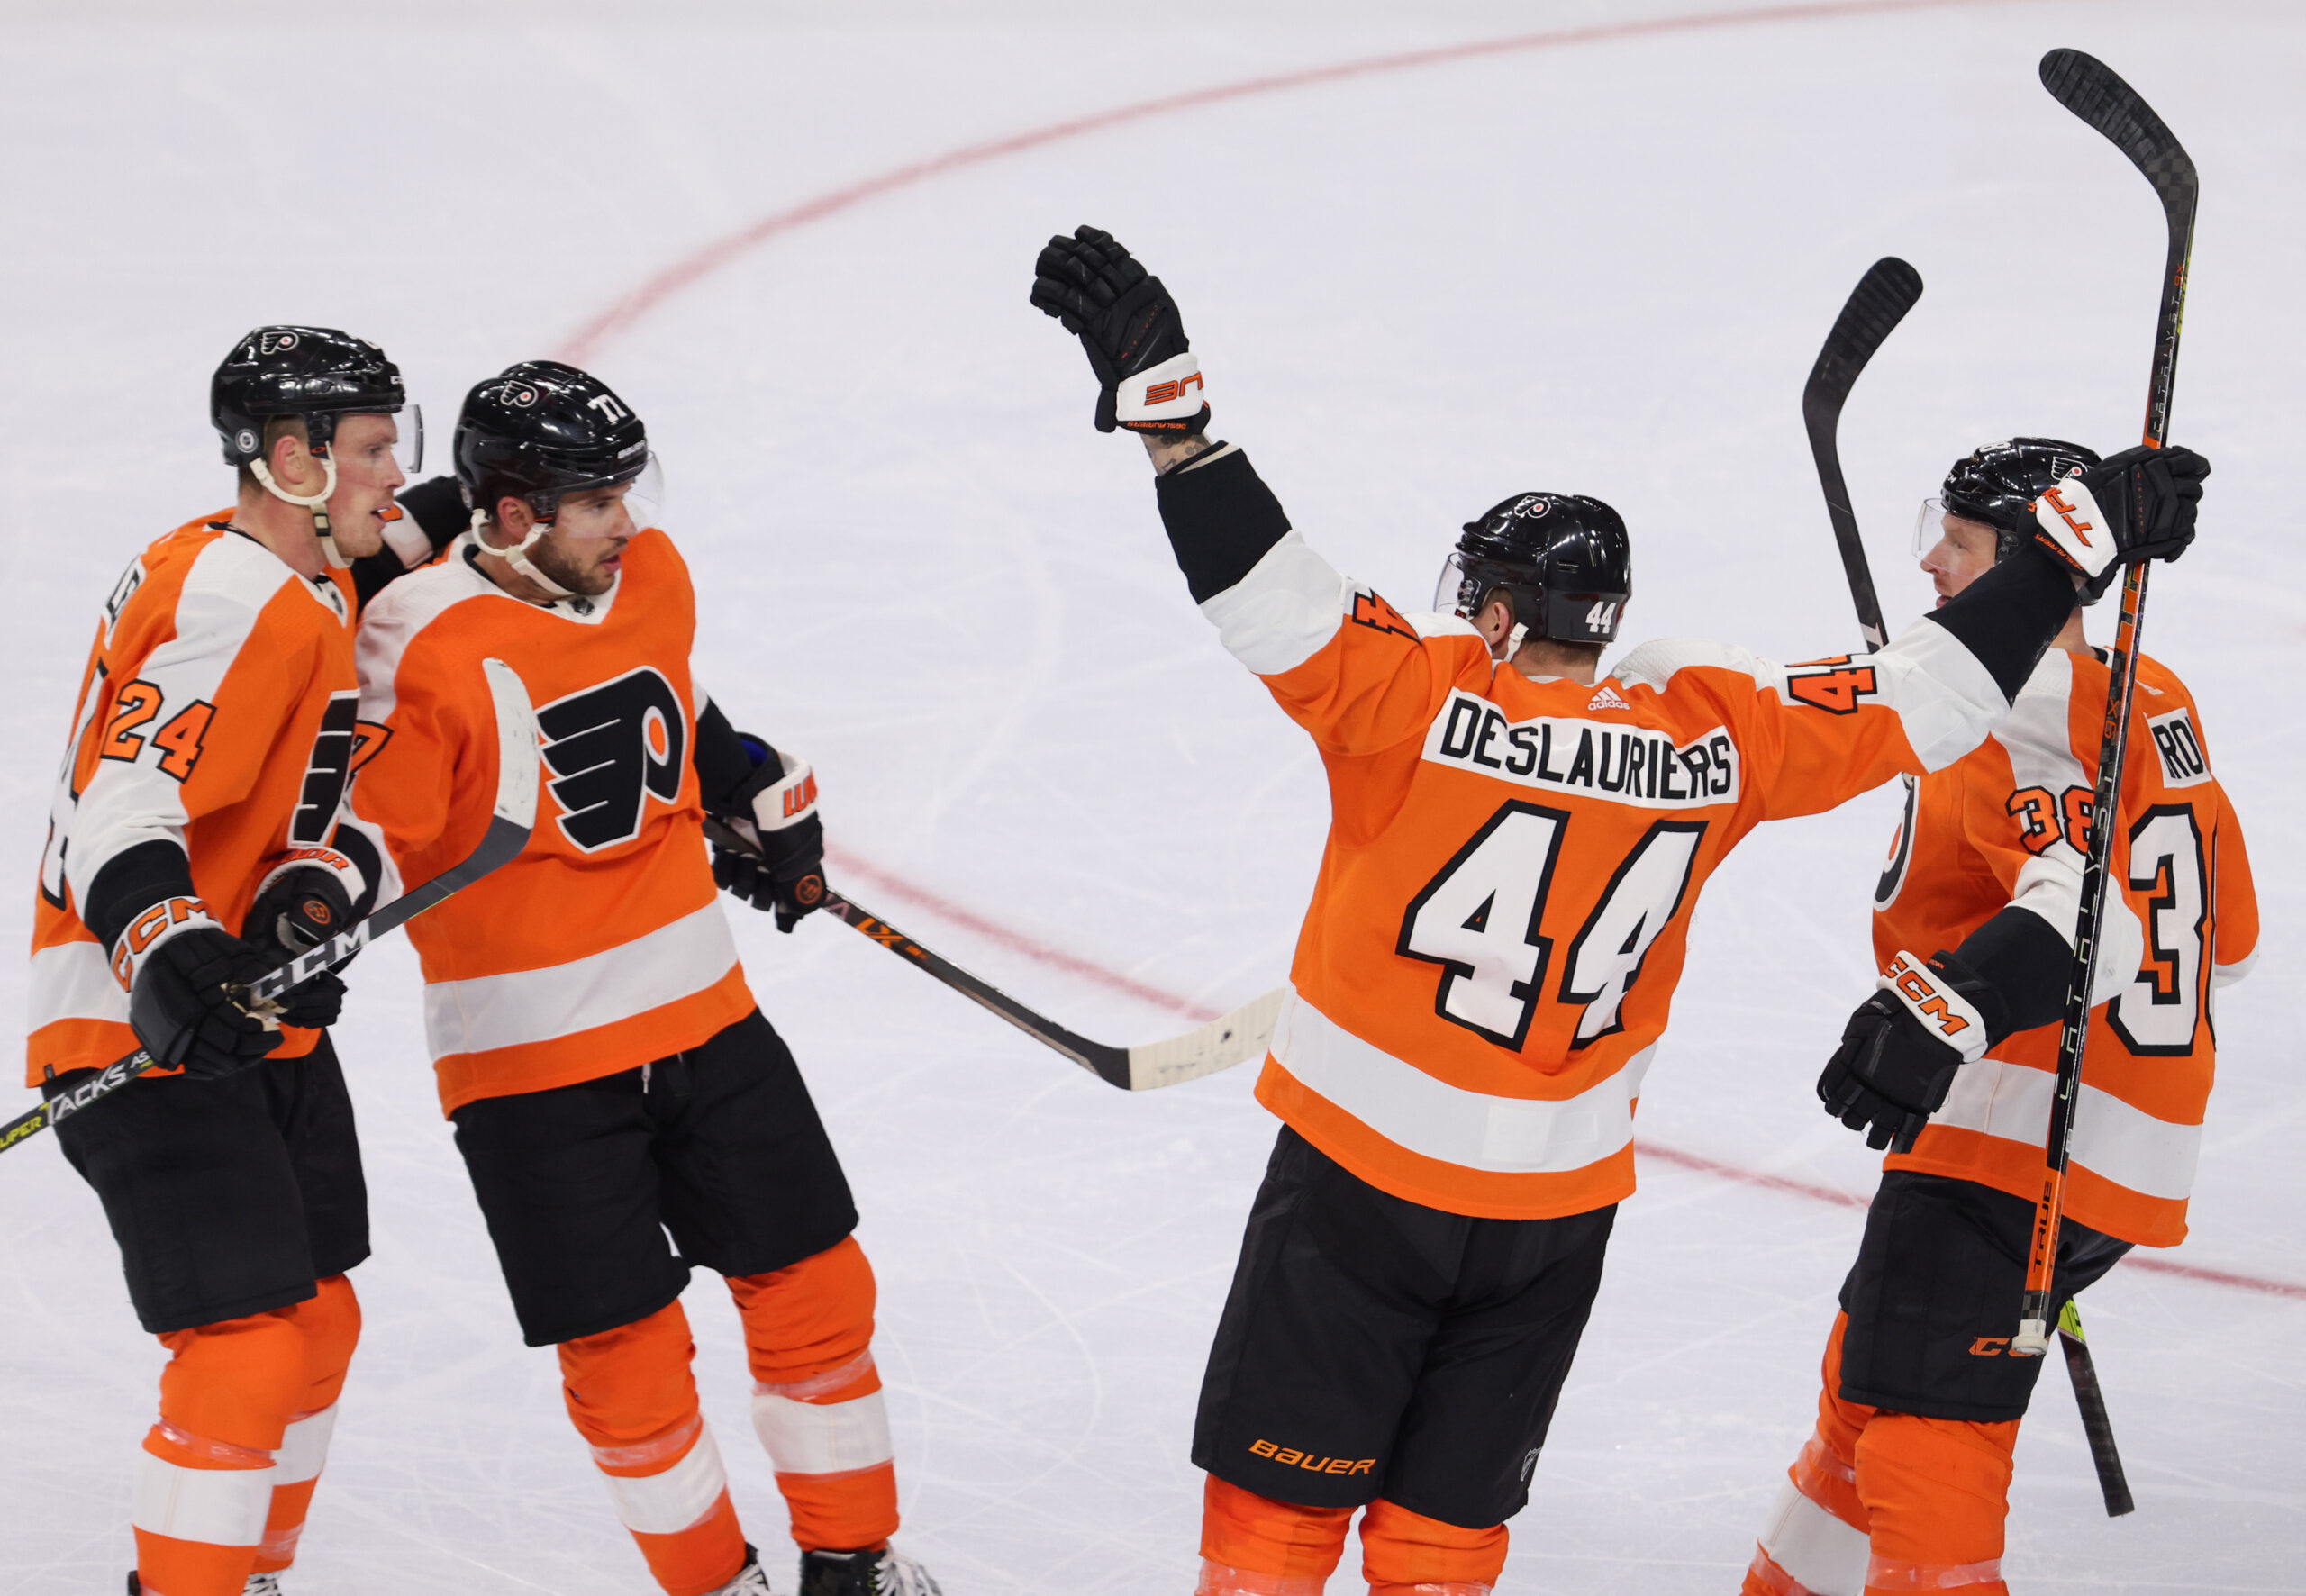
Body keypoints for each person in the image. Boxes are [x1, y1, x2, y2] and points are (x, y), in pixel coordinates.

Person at [1028, 227, 2211, 1596]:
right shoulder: (1716, 744)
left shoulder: (1417, 703)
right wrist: (2074, 548)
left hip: (1362, 1186)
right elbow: (1936, 692)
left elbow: (1262, 585)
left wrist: (1172, 415)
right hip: (1553, 1215)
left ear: (1497, 607)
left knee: (1277, 1532)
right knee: (1443, 1545)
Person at [341, 361, 937, 1596]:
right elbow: (361, 826)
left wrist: (754, 793)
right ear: (511, 515)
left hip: (703, 1016)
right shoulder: (416, 634)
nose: (628, 522)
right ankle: (714, 1582)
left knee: (819, 1288)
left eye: (626, 491)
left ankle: (852, 1564)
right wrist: (299, 914)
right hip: (529, 1062)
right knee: (623, 1356)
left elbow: (669, 696)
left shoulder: (646, 576)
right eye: (595, 501)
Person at [1739, 439, 2258, 1596]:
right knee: (1866, 1391)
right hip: (2115, 1146)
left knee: (1926, 1427)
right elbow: (2231, 939)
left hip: (2011, 1134)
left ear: (2039, 559)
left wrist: (1945, 1009)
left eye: (1959, 541)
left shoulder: (2010, 703)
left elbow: (2090, 913)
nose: (1928, 557)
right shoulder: (2149, 691)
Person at [28, 326, 419, 1596]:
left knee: (315, 1319)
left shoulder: (292, 568)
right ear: (296, 459)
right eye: (373, 451)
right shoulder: (233, 597)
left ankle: (240, 1577)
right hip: (145, 1018)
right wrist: (172, 954)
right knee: (249, 1344)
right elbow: (121, 808)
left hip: (247, 1012)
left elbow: (417, 538)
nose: (394, 476)